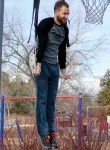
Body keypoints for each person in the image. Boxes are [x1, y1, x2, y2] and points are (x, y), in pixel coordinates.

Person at [33, 0, 70, 149]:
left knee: (51, 102)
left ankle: (52, 133)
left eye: (67, 13)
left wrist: (63, 70)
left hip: (54, 68)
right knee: (42, 100)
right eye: (64, 13)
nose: (66, 16)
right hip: (43, 66)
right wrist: (38, 64)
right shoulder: (45, 24)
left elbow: (62, 51)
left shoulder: (64, 29)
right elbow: (41, 44)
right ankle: (44, 134)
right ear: (56, 12)